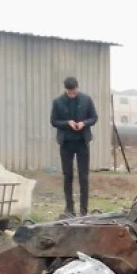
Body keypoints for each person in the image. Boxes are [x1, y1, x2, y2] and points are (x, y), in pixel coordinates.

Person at [50, 76, 98, 217]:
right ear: (65, 89)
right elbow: (53, 121)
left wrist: (84, 123)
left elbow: (94, 117)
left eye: (74, 91)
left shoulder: (86, 100)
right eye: (69, 92)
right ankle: (70, 209)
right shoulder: (58, 102)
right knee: (68, 175)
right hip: (66, 143)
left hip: (82, 142)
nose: (72, 94)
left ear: (77, 88)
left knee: (83, 176)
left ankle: (84, 210)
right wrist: (67, 123)